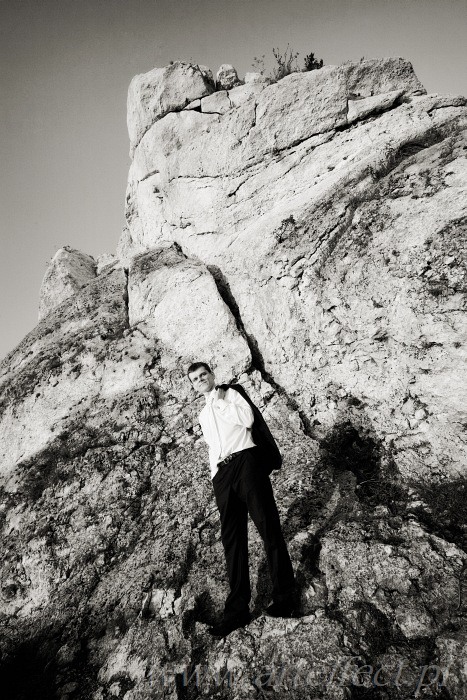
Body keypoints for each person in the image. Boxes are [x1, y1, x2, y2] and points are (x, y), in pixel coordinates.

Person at [187, 361, 296, 637]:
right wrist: (215, 476)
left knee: (268, 527)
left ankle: (286, 599)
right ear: (192, 385)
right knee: (233, 542)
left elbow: (247, 421)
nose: (200, 380)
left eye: (203, 375)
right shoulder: (202, 414)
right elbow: (213, 447)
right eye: (195, 379)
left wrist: (221, 400)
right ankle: (236, 612)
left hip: (246, 463)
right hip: (222, 476)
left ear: (212, 376)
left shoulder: (231, 394)